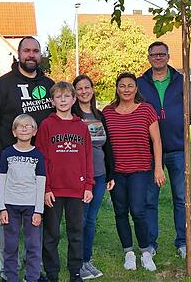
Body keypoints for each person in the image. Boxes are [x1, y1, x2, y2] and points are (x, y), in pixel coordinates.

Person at [0, 36, 55, 282]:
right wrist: (1, 154)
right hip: (12, 165)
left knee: (37, 214)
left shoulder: (49, 85)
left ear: (40, 54)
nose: (31, 55)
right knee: (9, 220)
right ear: (19, 53)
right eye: (26, 51)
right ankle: (7, 271)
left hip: (42, 164)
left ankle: (35, 269)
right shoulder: (3, 85)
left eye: (35, 51)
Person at [137, 42, 191, 259]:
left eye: (162, 54)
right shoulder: (140, 84)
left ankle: (182, 241)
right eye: (154, 54)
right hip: (150, 151)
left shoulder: (181, 81)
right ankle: (151, 243)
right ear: (149, 57)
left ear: (168, 56)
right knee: (149, 198)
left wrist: (177, 126)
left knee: (181, 198)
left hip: (177, 149)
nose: (158, 58)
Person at [103, 72, 166, 272]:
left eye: (131, 85)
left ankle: (146, 251)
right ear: (117, 88)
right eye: (122, 86)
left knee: (138, 211)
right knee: (120, 212)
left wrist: (158, 168)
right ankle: (128, 252)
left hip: (141, 169)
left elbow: (156, 140)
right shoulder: (107, 112)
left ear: (136, 88)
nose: (127, 89)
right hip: (116, 172)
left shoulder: (146, 110)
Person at [35, 81, 94, 282]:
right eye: (58, 97)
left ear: (74, 99)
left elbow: (88, 157)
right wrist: (46, 188)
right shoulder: (46, 125)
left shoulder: (81, 127)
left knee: (76, 232)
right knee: (51, 233)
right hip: (53, 191)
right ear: (52, 101)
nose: (62, 100)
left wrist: (88, 185)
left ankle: (75, 272)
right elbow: (42, 158)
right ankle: (52, 273)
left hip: (76, 189)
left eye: (66, 96)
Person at [71, 75, 115, 280]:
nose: (83, 91)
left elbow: (107, 145)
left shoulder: (99, 114)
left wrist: (110, 173)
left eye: (86, 87)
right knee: (80, 219)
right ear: (74, 93)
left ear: (92, 89)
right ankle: (77, 262)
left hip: (99, 174)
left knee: (91, 219)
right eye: (79, 88)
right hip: (81, 177)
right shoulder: (72, 115)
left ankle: (86, 259)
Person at [0, 114, 46, 282]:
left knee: (33, 245)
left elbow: (41, 184)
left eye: (28, 126)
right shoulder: (7, 154)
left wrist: (39, 210)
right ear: (14, 132)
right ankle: (10, 277)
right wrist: (1, 207)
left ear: (34, 131)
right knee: (10, 245)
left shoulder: (38, 156)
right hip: (10, 206)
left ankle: (32, 277)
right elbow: (1, 181)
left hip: (31, 207)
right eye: (20, 126)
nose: (24, 128)